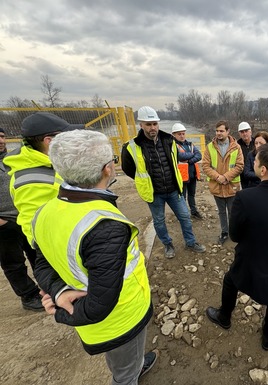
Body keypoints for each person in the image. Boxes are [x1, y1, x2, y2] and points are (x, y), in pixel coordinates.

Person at [33, 130, 156, 384]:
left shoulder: (46, 211)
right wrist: (59, 310)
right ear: (107, 169)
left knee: (122, 361)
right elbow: (99, 306)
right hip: (121, 319)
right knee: (125, 374)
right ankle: (131, 373)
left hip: (102, 321)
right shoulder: (104, 226)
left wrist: (56, 291)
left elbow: (41, 261)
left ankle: (135, 366)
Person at [205, 143, 268, 350]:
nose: (255, 163)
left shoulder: (245, 197)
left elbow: (235, 235)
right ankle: (267, 338)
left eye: (256, 161)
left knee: (231, 280)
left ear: (263, 170)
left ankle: (224, 317)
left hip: (251, 259)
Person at [121, 106, 206, 259]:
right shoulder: (131, 147)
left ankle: (191, 242)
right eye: (148, 124)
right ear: (141, 125)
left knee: (185, 216)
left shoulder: (169, 140)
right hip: (154, 193)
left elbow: (176, 160)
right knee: (159, 221)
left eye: (155, 124)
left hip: (174, 190)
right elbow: (128, 169)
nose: (152, 127)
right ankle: (168, 244)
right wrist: (145, 181)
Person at [3, 112, 84, 246]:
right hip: (60, 249)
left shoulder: (48, 164)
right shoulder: (30, 181)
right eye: (67, 136)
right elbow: (38, 231)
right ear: (49, 141)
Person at [0, 127, 43, 311]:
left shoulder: (14, 160)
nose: (1, 141)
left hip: (26, 216)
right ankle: (29, 296)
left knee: (39, 255)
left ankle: (48, 290)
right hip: (4, 223)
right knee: (13, 263)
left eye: (2, 136)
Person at [201, 120, 244, 245]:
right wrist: (218, 177)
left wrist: (225, 177)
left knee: (232, 211)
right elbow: (206, 166)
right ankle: (224, 232)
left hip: (231, 186)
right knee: (221, 212)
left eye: (221, 131)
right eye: (217, 131)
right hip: (217, 186)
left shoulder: (236, 147)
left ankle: (233, 232)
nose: (219, 133)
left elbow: (239, 166)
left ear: (228, 131)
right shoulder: (210, 147)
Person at [171, 122, 203, 219]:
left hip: (192, 174)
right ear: (174, 135)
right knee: (182, 196)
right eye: (179, 134)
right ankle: (183, 214)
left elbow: (199, 155)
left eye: (183, 133)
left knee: (191, 195)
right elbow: (180, 156)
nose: (181, 136)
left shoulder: (190, 144)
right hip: (182, 176)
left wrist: (189, 161)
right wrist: (192, 155)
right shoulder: (173, 146)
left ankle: (193, 211)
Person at [237, 121, 255, 189]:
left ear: (250, 132)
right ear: (239, 134)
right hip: (243, 177)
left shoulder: (257, 143)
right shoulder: (237, 145)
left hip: (256, 176)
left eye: (246, 131)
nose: (244, 134)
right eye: (242, 132)